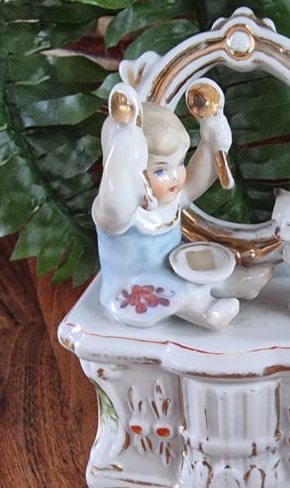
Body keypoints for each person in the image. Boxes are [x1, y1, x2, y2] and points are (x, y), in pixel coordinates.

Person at [92, 83, 271, 329]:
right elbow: (116, 198)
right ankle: (207, 312)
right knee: (178, 292)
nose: (176, 176)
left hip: (174, 267)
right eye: (161, 170)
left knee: (203, 269)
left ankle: (238, 284)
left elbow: (196, 181)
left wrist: (210, 141)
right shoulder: (118, 213)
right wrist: (125, 147)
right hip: (135, 284)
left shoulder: (169, 199)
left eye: (180, 163)